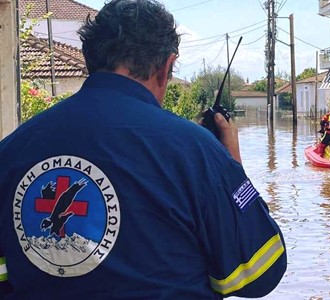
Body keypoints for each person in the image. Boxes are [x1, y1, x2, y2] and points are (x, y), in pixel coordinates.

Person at [0, 1, 286, 299]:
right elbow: (259, 274)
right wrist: (230, 165)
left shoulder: (10, 151)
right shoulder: (196, 151)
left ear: (90, 60)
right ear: (165, 68)